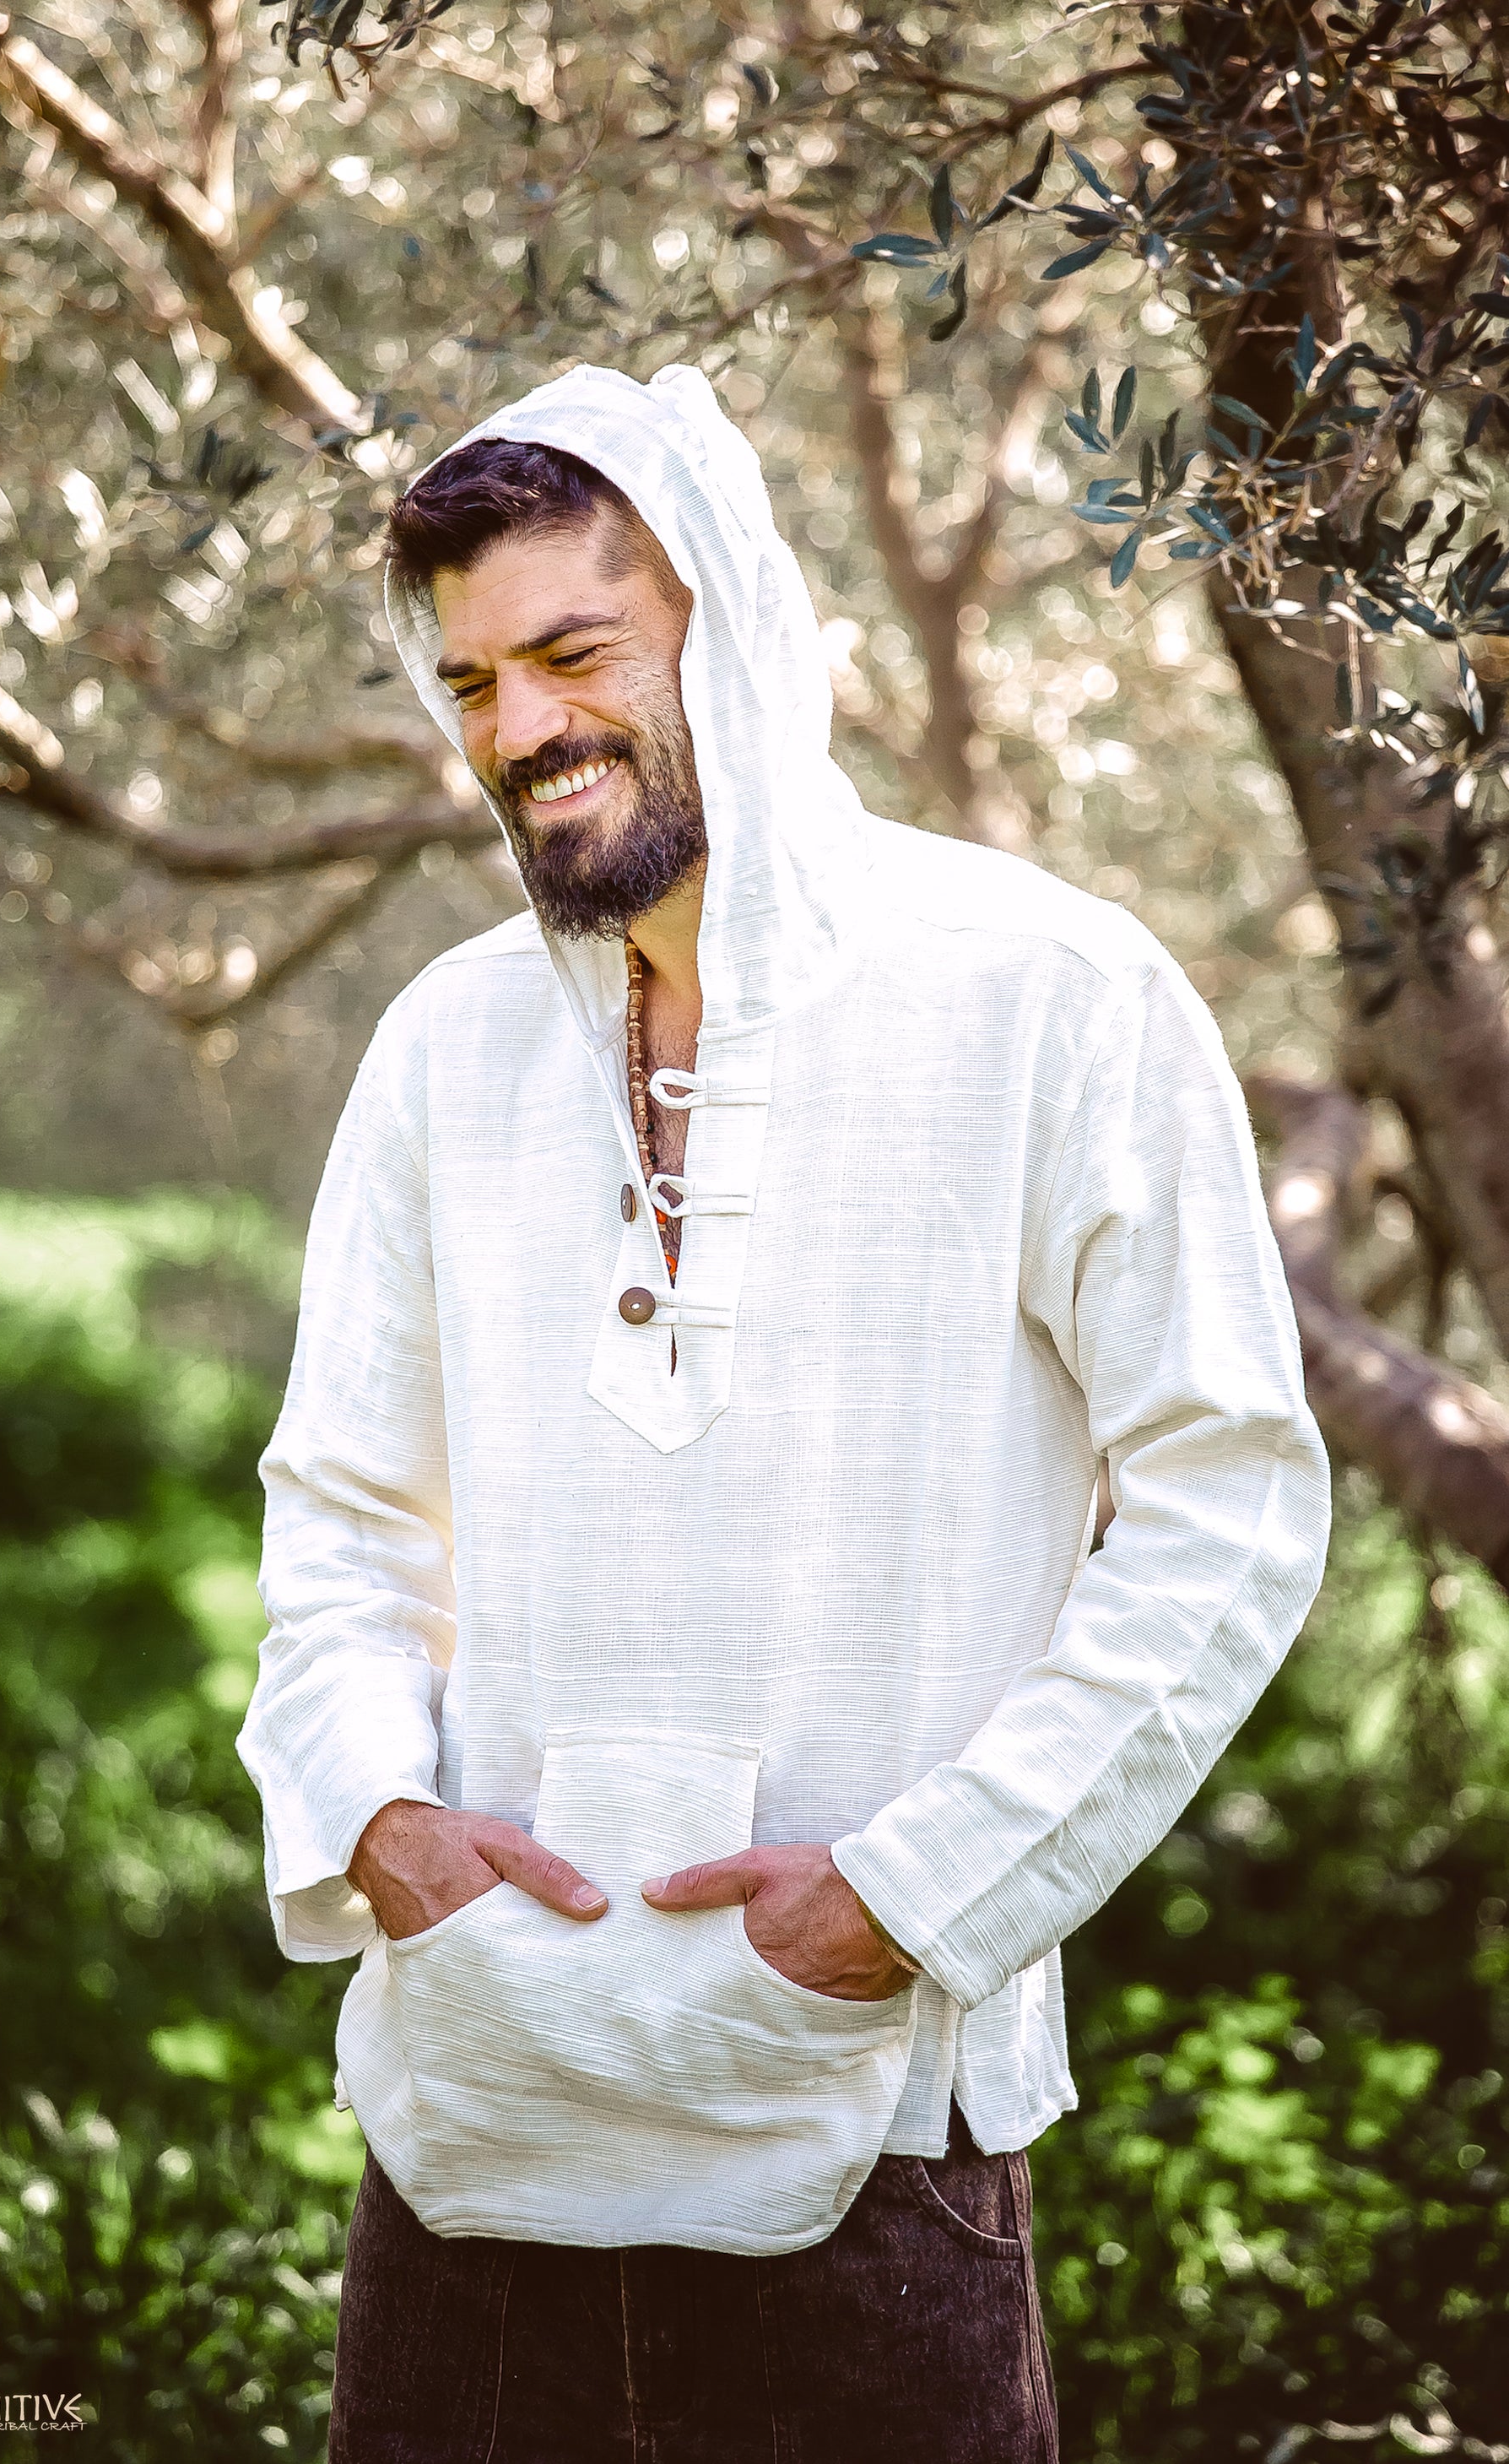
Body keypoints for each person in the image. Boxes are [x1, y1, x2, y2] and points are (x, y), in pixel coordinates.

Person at [236, 361, 1331, 2464]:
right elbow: (344, 1516)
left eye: (575, 653)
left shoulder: (1048, 996)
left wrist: (916, 1893)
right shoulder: (447, 1044)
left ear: (727, 627)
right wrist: (377, 1816)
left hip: (880, 2139)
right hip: (473, 2128)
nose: (520, 729)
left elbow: (1232, 1504)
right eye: (471, 682)